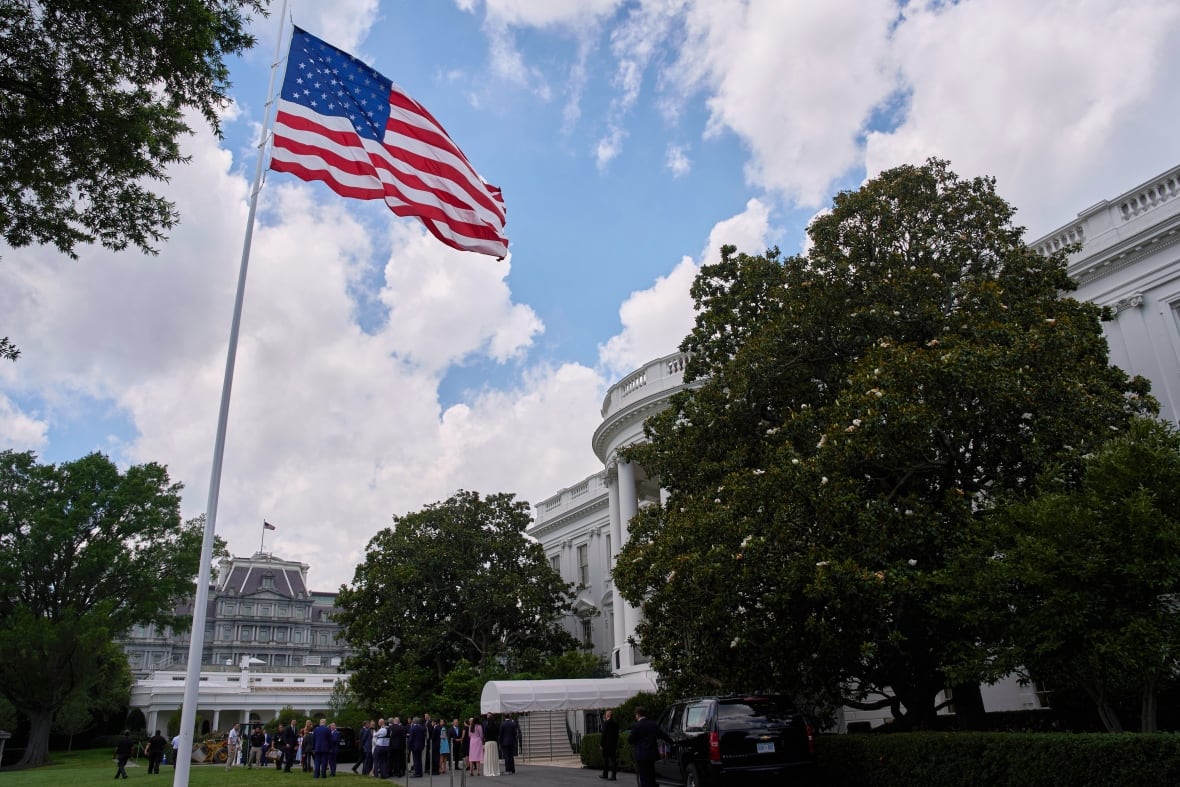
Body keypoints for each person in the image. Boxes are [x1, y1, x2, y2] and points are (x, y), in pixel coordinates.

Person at [628, 706, 672, 787]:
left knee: (643, 777)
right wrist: (672, 742)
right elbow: (662, 735)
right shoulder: (652, 724)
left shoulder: (636, 726)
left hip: (641, 755)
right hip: (652, 754)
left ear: (637, 715)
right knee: (651, 775)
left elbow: (630, 740)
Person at [600, 709, 619, 780]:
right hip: (613, 745)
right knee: (613, 760)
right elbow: (617, 735)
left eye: (606, 714)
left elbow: (603, 735)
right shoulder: (615, 723)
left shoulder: (606, 723)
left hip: (606, 745)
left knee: (606, 760)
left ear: (608, 715)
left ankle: (605, 774)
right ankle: (613, 776)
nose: (605, 715)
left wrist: (601, 744)